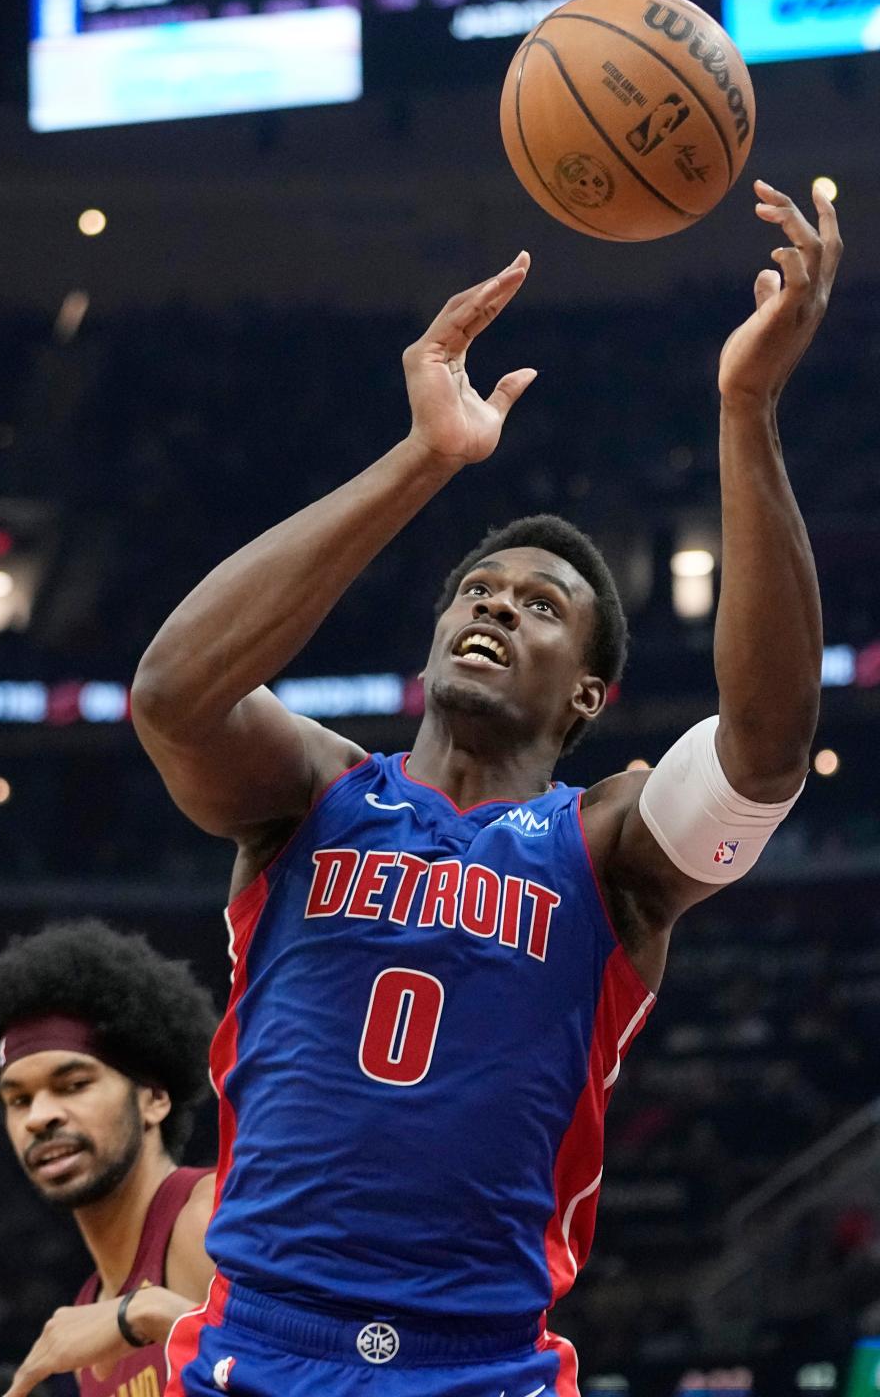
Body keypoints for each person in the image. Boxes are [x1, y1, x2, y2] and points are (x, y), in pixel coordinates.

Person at [131, 180, 842, 1397]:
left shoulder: (606, 845)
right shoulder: (312, 791)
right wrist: (424, 459)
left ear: (588, 696)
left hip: (482, 1369)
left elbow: (765, 751)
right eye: (478, 591)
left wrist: (748, 406)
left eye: (543, 605)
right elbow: (171, 696)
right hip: (254, 1353)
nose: (499, 603)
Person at [0, 919, 220, 1397]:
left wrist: (148, 1314)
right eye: (19, 1099)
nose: (40, 1116)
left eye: (73, 1085)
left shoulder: (209, 1219)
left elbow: (333, 1368)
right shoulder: (87, 1318)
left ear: (153, 1099)